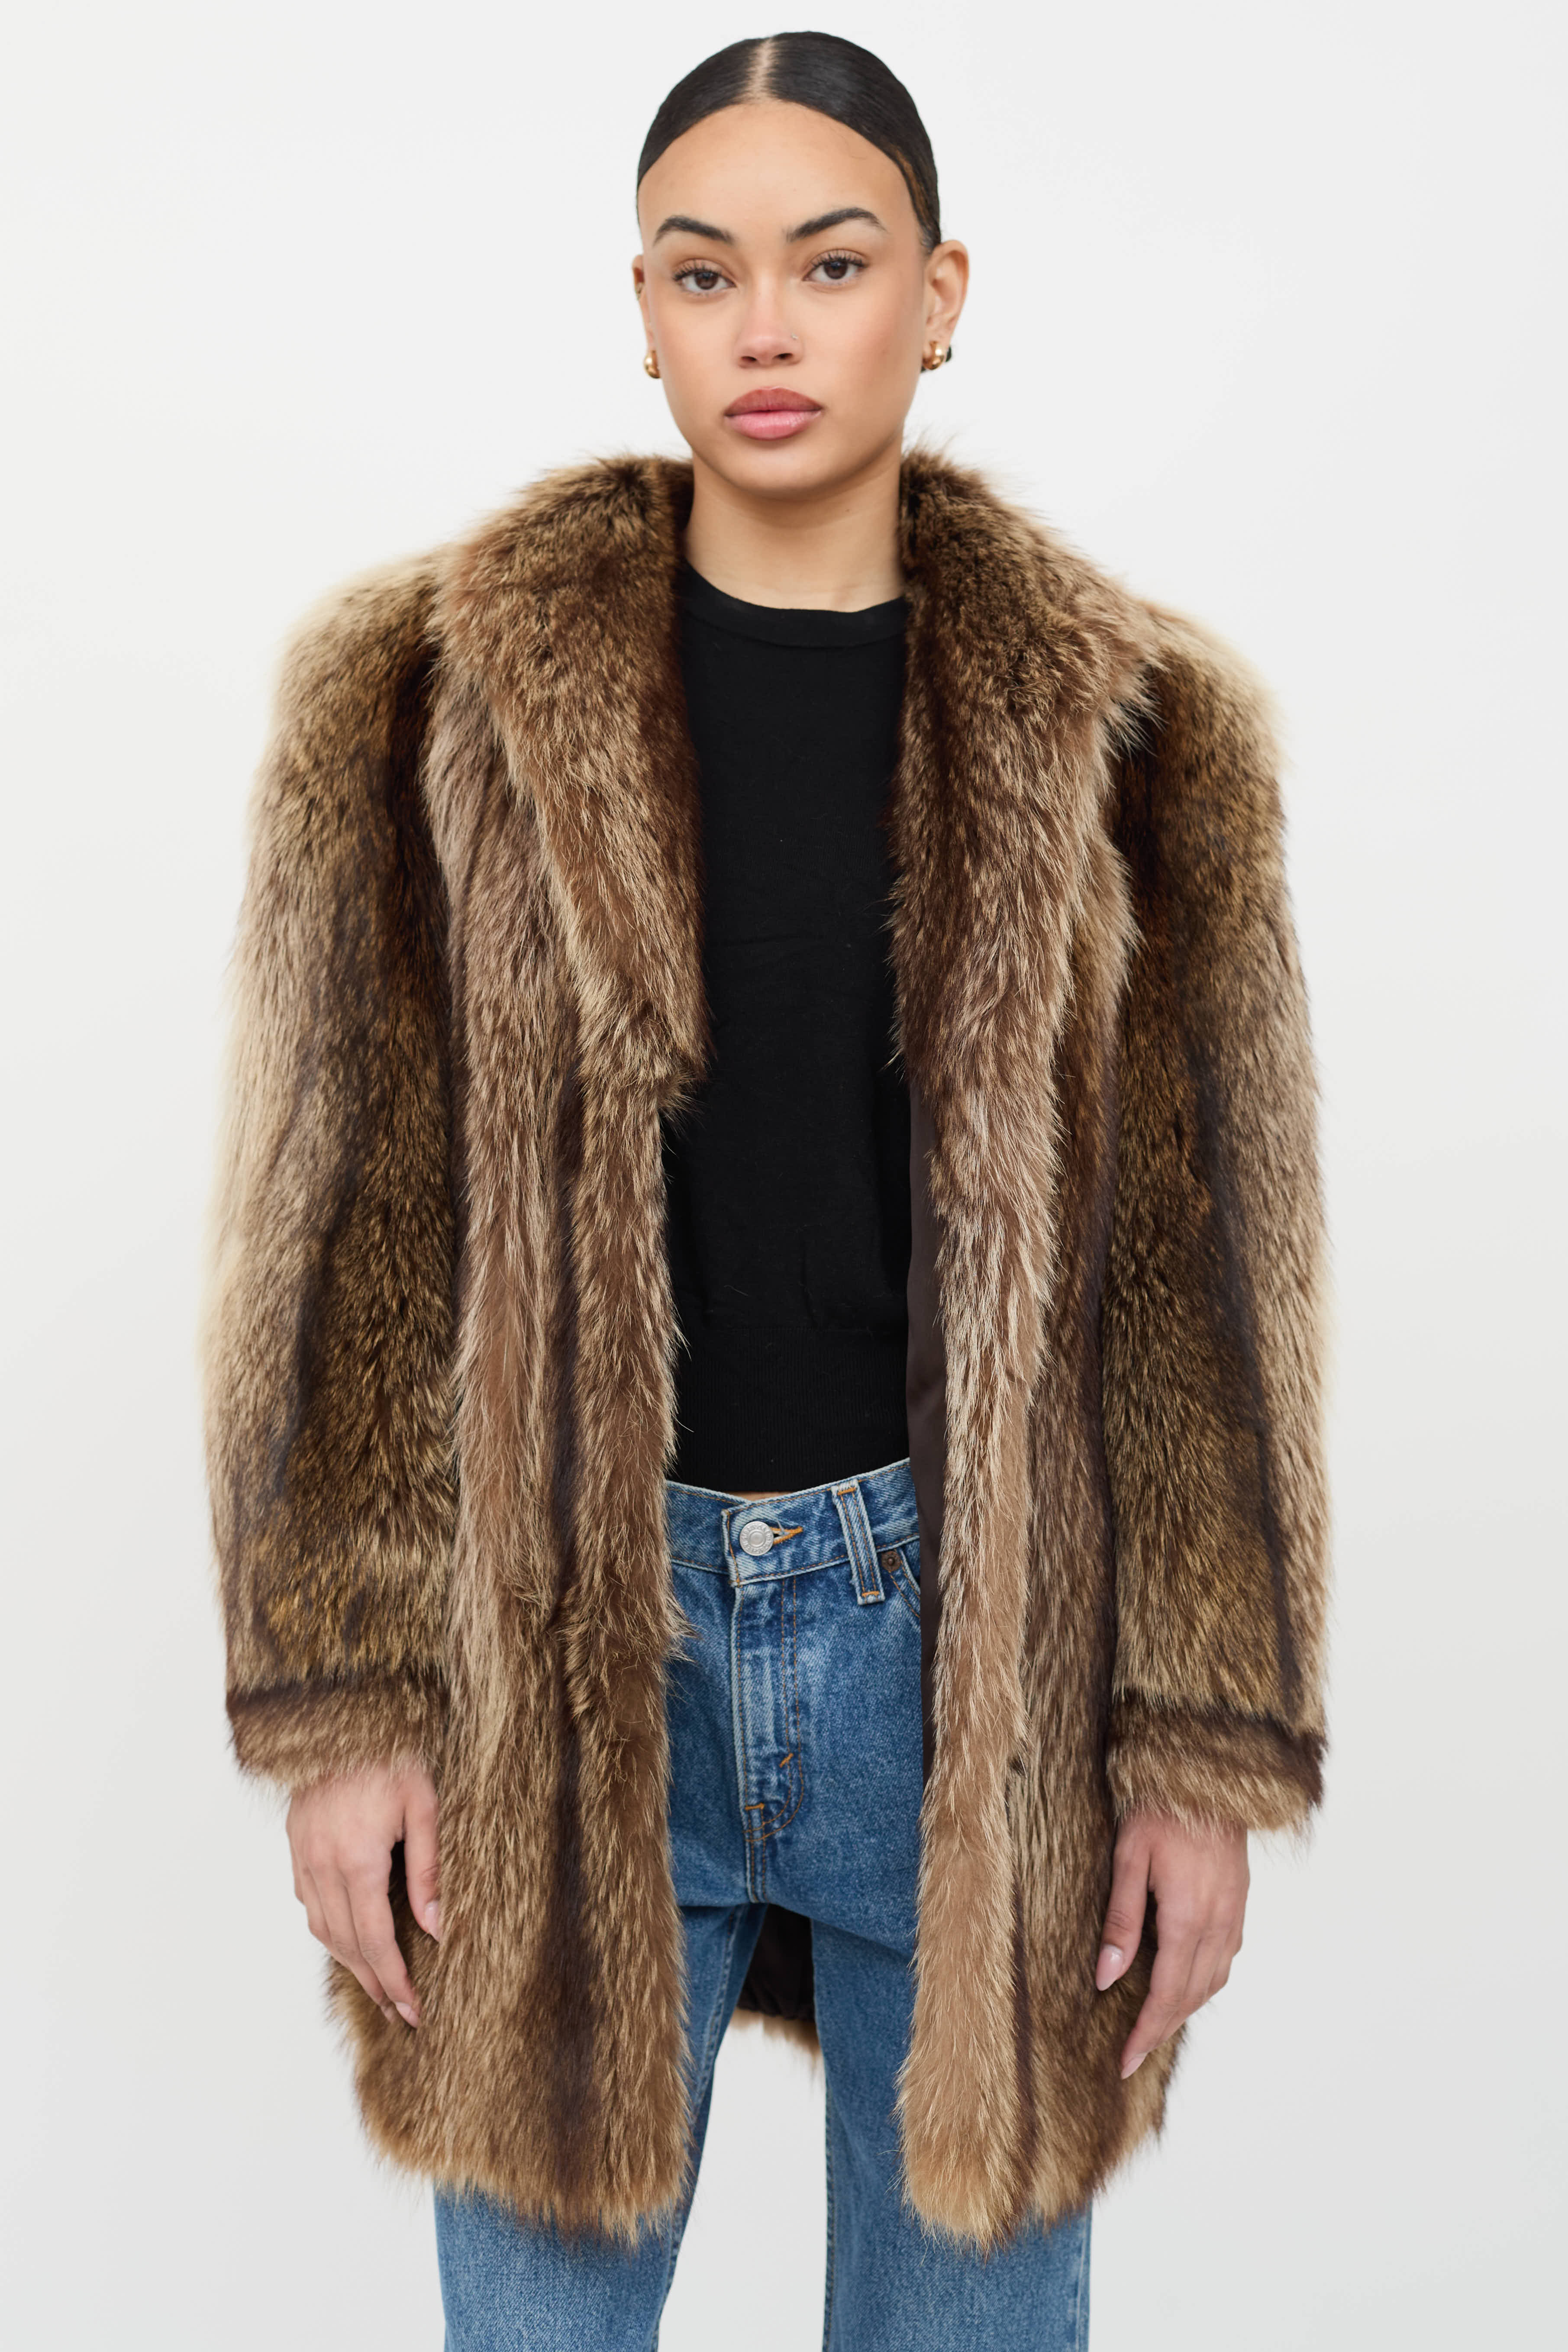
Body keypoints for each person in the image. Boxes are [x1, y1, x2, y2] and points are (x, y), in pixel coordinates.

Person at [201, 30, 1329, 2350]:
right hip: (560, 1650)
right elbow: (336, 1231)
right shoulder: (419, 699)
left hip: (971, 1653)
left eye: (830, 264)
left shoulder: (1136, 732)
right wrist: (344, 1706)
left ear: (939, 294)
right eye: (702, 273)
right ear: (640, 310)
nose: (766, 326)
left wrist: (1198, 1749)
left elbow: (1202, 1287)